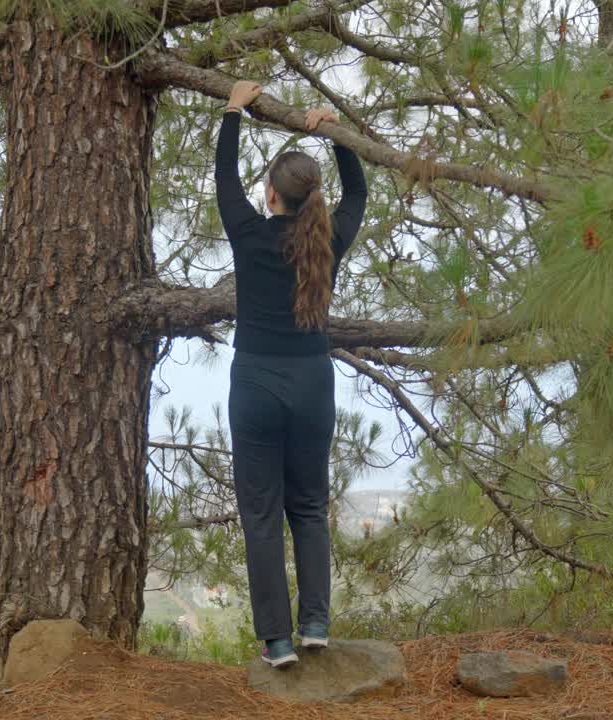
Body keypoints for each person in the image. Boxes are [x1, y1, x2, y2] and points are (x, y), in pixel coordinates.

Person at [215, 80, 368, 669]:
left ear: (272, 195)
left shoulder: (249, 234)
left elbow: (225, 182)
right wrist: (335, 134)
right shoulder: (330, 241)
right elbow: (357, 191)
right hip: (312, 386)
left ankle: (277, 642)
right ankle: (316, 625)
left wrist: (234, 109)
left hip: (255, 384)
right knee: (308, 506)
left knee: (261, 514)